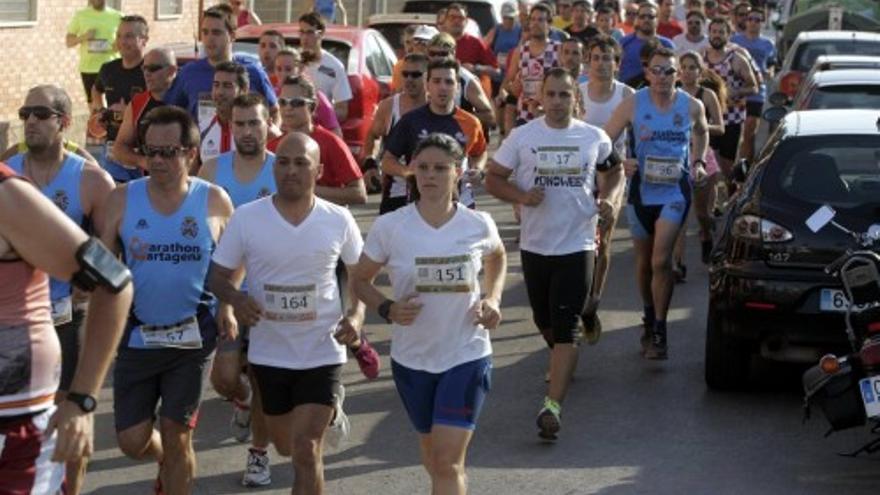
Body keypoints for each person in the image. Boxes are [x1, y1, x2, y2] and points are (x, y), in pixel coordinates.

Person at [209, 132, 363, 495]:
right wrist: (235, 299)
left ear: (319, 170)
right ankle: (325, 416)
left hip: (322, 349)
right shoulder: (247, 218)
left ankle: (326, 408)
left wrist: (355, 317)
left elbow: (361, 274)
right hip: (270, 351)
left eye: (301, 163)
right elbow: (217, 276)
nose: (290, 170)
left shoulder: (337, 219)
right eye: (283, 162)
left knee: (307, 451)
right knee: (284, 445)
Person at [352, 133, 506, 494]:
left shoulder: (478, 224)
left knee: (445, 461)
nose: (430, 175)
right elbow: (360, 281)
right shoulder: (391, 227)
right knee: (434, 455)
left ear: (458, 172)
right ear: (412, 172)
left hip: (466, 355)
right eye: (422, 167)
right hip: (413, 360)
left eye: (440, 168)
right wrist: (387, 307)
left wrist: (494, 298)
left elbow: (496, 256)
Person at [100, 106, 235, 494]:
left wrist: (226, 305)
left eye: (168, 152)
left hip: (193, 337)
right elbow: (104, 262)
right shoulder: (121, 198)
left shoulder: (214, 201)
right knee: (132, 440)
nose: (156, 161)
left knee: (178, 437)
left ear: (191, 154)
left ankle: (173, 463)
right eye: (149, 151)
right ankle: (162, 458)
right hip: (137, 334)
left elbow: (233, 262)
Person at [485, 67, 623, 440]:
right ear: (539, 98)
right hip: (535, 245)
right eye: (552, 94)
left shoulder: (592, 137)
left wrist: (608, 199)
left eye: (565, 95)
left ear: (575, 100)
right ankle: (565, 353)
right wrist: (521, 196)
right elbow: (493, 177)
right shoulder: (523, 136)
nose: (558, 101)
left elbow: (614, 172)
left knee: (566, 328)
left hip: (577, 243)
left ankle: (552, 406)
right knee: (544, 320)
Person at [5, 85, 117, 495]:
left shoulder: (90, 179)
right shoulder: (8, 171)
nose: (30, 121)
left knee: (67, 415)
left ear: (63, 122)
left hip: (70, 313)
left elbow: (111, 252)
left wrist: (87, 287)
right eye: (25, 113)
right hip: (17, 325)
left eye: (40, 113)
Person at [603, 47, 709, 360]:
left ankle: (660, 329)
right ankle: (649, 315)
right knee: (644, 262)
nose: (662, 77)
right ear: (647, 73)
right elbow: (604, 140)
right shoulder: (633, 104)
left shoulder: (691, 105)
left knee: (661, 261)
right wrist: (622, 161)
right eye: (657, 71)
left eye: (669, 72)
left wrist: (699, 160)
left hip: (675, 193)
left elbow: (702, 132)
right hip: (640, 194)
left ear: (679, 75)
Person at [197, 93, 276, 487]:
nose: (247, 131)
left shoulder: (284, 170)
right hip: (225, 293)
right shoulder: (211, 170)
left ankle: (258, 456)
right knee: (225, 380)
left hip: (269, 298)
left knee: (263, 377)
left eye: (254, 123)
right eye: (240, 124)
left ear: (268, 124)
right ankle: (241, 399)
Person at [576, 36, 634, 342]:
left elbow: (640, 135)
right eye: (596, 57)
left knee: (605, 238)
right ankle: (577, 298)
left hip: (613, 174)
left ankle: (593, 300)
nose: (601, 63)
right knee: (580, 239)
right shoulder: (577, 93)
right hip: (580, 175)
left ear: (617, 63)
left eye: (607, 58)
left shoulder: (628, 95)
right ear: (588, 61)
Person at [380, 58, 487, 214]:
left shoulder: (471, 122)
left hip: (462, 203)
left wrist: (478, 169)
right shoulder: (411, 121)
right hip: (420, 204)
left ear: (457, 86)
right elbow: (387, 162)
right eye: (436, 81)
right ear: (427, 84)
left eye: (449, 82)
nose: (442, 87)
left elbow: (480, 152)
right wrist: (409, 172)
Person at [163, 5, 277, 128]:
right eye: (205, 32)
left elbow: (274, 112)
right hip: (202, 145)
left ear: (232, 36)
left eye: (216, 33)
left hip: (243, 145)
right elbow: (170, 114)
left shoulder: (253, 71)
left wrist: (269, 140)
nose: (209, 38)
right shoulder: (188, 72)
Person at [268, 76, 367, 206]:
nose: (288, 108)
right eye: (282, 102)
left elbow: (359, 194)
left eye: (296, 102)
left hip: (324, 221)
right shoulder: (273, 146)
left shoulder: (331, 142)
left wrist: (306, 189)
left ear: (312, 106)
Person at [672, 51, 725, 277]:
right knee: (679, 213)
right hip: (676, 157)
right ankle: (678, 263)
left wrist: (697, 127)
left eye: (692, 67)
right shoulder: (672, 94)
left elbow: (720, 128)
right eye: (683, 67)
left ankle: (706, 235)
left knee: (702, 213)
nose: (687, 71)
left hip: (703, 157)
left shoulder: (707, 95)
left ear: (700, 71)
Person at [91, 15, 150, 183]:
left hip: (143, 153)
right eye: (119, 36)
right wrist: (99, 110)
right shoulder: (108, 69)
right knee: (115, 200)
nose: (123, 41)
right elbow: (96, 88)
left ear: (144, 40)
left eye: (129, 36)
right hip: (112, 151)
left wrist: (131, 113)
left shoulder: (151, 71)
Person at [703, 17, 756, 192]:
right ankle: (712, 203)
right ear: (709, 33)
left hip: (731, 119)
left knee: (726, 165)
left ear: (728, 35)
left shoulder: (736, 59)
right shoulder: (701, 57)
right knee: (708, 163)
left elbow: (754, 86)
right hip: (706, 119)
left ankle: (733, 195)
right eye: (714, 31)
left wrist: (735, 92)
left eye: (721, 32)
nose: (717, 35)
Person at [364, 53, 429, 196]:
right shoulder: (389, 106)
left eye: (415, 75)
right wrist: (370, 162)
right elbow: (373, 136)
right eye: (405, 74)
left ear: (427, 76)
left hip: (430, 190)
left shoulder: (436, 106)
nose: (409, 79)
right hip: (396, 191)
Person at [111, 47, 177, 173]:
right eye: (144, 68)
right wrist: (142, 161)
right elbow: (119, 148)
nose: (147, 73)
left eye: (153, 69)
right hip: (151, 181)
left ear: (171, 71)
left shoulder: (187, 99)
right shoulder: (138, 103)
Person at [502, 3, 562, 127]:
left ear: (549, 24)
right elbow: (506, 83)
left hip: (550, 115)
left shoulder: (558, 49)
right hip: (524, 116)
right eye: (533, 19)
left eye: (540, 20)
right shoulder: (520, 51)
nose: (535, 23)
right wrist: (513, 88)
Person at [427, 33, 497, 134]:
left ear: (453, 53)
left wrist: (454, 117)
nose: (438, 58)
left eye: (443, 54)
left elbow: (489, 117)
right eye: (433, 54)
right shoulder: (423, 75)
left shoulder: (467, 80)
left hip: (459, 139)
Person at [731, 7, 775, 163]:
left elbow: (771, 64)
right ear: (746, 21)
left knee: (750, 131)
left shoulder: (768, 43)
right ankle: (738, 163)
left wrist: (770, 72)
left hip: (757, 92)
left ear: (762, 23)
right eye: (750, 19)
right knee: (737, 131)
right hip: (737, 90)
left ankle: (743, 167)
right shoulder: (734, 40)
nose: (753, 23)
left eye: (757, 20)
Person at [273, 48, 342, 136]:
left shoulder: (316, 97)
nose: (283, 74)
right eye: (279, 69)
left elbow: (337, 133)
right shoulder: (271, 95)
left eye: (288, 69)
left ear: (300, 69)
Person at [65, 0, 123, 103]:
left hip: (112, 67)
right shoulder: (81, 15)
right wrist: (84, 37)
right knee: (94, 107)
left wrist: (117, 45)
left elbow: (124, 41)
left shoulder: (118, 16)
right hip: (89, 68)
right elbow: (69, 42)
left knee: (113, 105)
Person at [299, 12, 352, 121]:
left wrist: (320, 117)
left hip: (321, 128)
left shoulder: (334, 67)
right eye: (302, 32)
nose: (305, 38)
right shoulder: (292, 61)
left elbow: (342, 110)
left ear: (321, 34)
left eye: (310, 32)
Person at [198, 62, 251, 165]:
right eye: (216, 85)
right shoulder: (202, 129)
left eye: (227, 86)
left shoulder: (257, 130)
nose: (219, 92)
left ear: (244, 90)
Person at [446, 3, 500, 96]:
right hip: (443, 93)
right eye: (452, 17)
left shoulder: (476, 43)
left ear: (466, 21)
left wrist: (476, 68)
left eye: (460, 18)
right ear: (446, 20)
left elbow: (496, 71)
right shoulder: (438, 41)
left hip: (469, 97)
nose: (456, 21)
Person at [619, 2, 675, 84]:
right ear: (637, 19)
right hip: (628, 92)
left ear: (657, 19)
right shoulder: (624, 42)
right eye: (642, 16)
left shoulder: (667, 44)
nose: (646, 19)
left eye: (650, 17)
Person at [390, 25, 422, 92]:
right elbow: (396, 93)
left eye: (414, 43)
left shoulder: (429, 65)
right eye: (407, 42)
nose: (410, 47)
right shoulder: (399, 67)